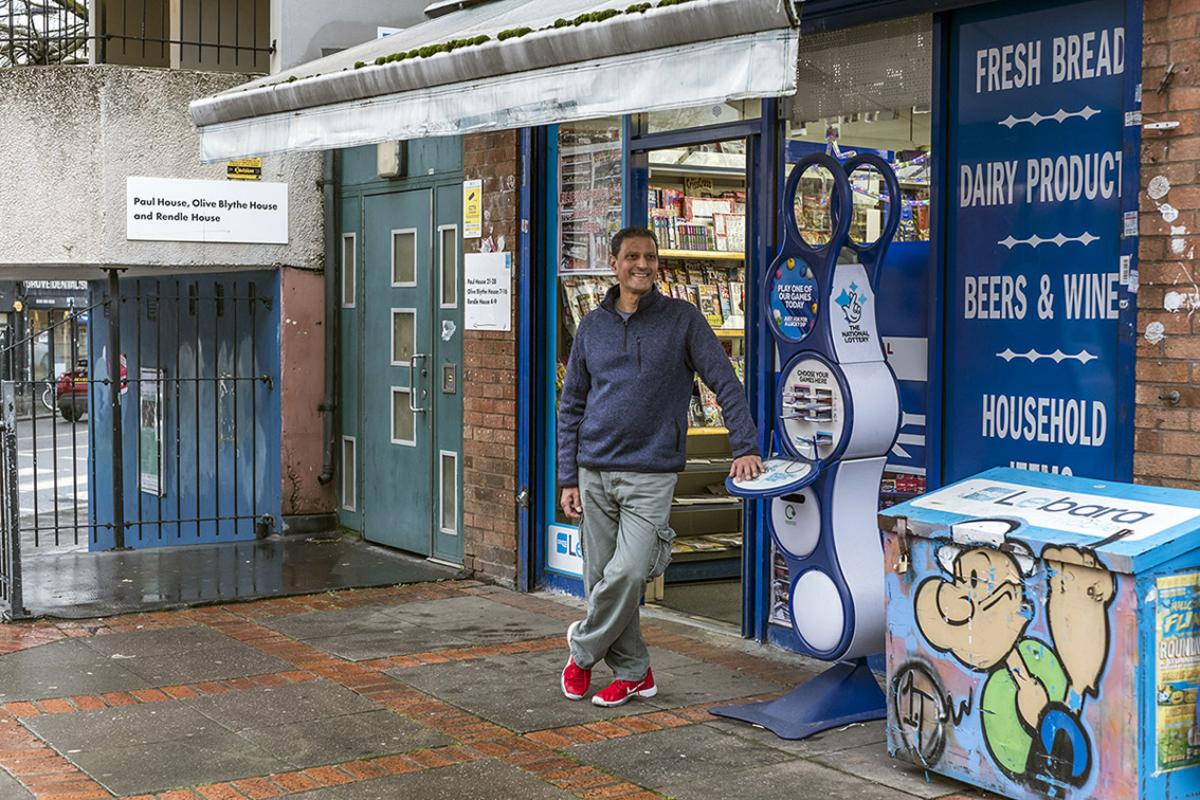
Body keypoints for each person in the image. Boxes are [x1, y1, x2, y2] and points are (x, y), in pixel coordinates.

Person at [556, 226, 763, 707]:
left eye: (650, 257)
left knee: (626, 575)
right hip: (594, 470)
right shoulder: (592, 326)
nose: (642, 265)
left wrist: (744, 445)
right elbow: (571, 407)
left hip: (652, 471)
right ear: (615, 264)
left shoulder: (683, 320)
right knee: (599, 578)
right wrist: (567, 476)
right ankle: (634, 672)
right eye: (632, 257)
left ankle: (582, 652)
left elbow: (724, 382)